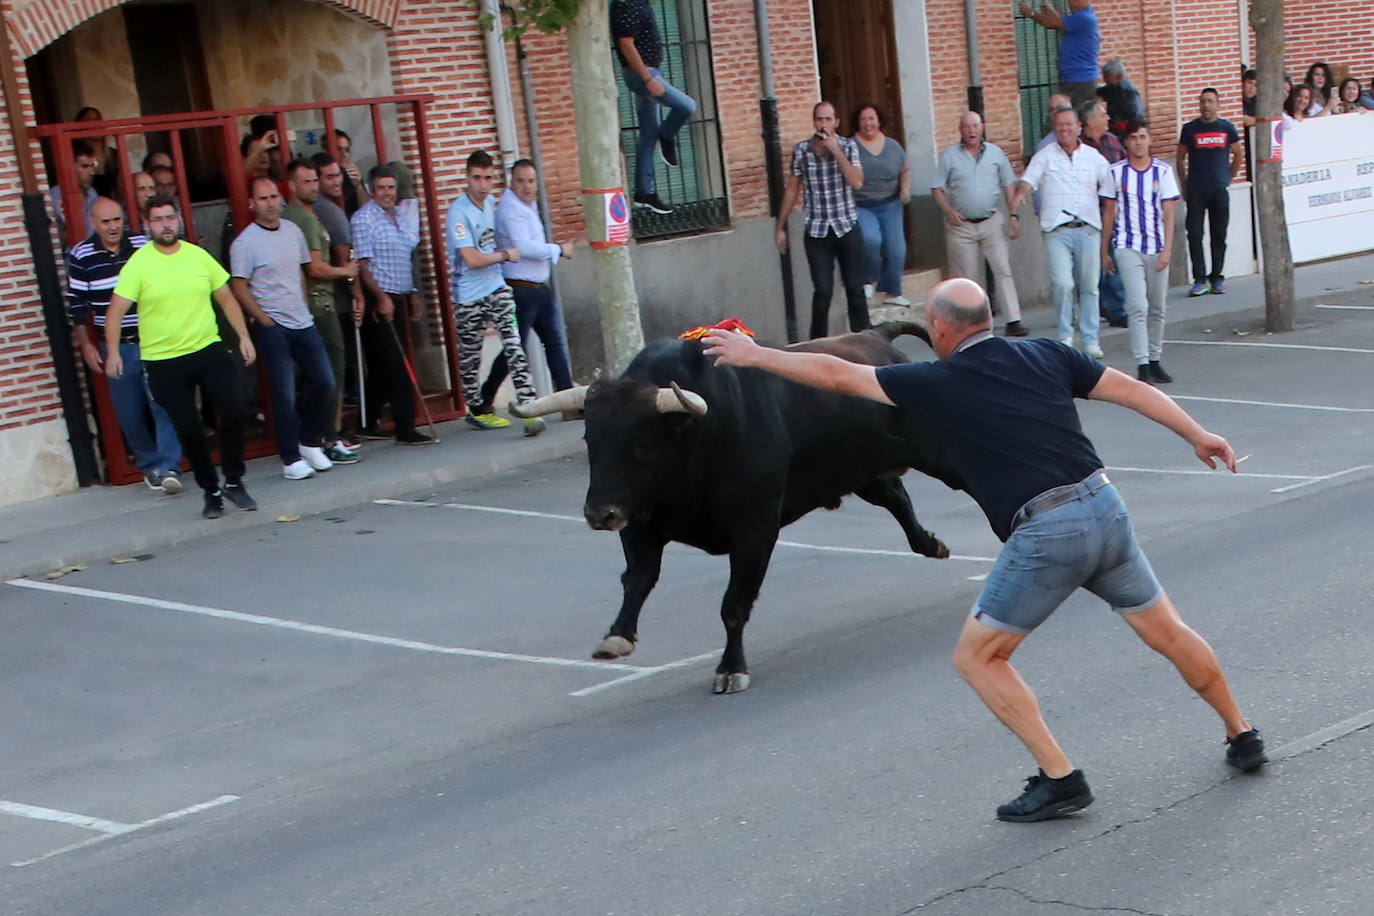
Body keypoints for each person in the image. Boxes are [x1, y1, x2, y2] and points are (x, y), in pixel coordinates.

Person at [702, 277, 1268, 822]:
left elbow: (837, 373)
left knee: (978, 659)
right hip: (1104, 507)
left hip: (1048, 531)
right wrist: (1198, 434)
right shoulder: (1048, 354)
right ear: (988, 320)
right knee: (1168, 630)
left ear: (941, 329)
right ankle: (1242, 733)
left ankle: (1060, 779)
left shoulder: (937, 381)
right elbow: (1134, 390)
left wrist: (756, 355)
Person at [105, 195, 258, 519]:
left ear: (178, 220)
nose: (166, 225)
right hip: (163, 360)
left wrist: (243, 336)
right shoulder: (139, 264)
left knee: (234, 408)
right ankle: (211, 491)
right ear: (147, 225)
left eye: (170, 217)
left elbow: (226, 299)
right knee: (188, 429)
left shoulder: (197, 256)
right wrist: (114, 352)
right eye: (158, 219)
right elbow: (115, 311)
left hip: (207, 348)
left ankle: (233, 481)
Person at [66, 197, 183, 492]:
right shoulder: (81, 255)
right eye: (105, 221)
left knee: (163, 403)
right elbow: (77, 306)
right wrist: (86, 345)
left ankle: (170, 466)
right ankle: (150, 464)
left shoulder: (143, 244)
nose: (113, 226)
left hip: (154, 339)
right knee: (129, 414)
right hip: (117, 346)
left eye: (117, 219)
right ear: (93, 223)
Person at [230, 177, 339, 480]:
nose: (270, 203)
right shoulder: (245, 243)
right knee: (285, 393)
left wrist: (303, 305)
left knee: (326, 382)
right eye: (263, 198)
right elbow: (239, 286)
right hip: (273, 325)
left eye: (274, 197)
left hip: (302, 321)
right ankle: (290, 458)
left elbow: (300, 273)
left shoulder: (293, 231)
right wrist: (263, 319)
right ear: (252, 203)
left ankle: (309, 441)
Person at [447, 150, 544, 436]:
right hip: (468, 295)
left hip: (496, 287)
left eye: (488, 178)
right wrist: (504, 255)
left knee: (514, 343)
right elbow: (471, 259)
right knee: (470, 358)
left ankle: (529, 407)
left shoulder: (491, 203)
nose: (483, 185)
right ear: (467, 177)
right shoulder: (458, 213)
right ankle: (477, 410)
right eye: (477, 178)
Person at [1012, 106, 1114, 358]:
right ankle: (1066, 336)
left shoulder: (1094, 157)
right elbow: (1028, 180)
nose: (1064, 129)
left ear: (1079, 126)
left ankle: (1090, 339)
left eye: (1069, 124)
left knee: (1090, 286)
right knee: (1063, 284)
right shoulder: (1044, 156)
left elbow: (1111, 184)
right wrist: (1021, 194)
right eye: (1059, 125)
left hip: (1088, 229)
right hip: (1057, 231)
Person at [481, 158, 578, 419]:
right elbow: (524, 247)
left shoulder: (529, 205)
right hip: (520, 291)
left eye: (531, 181)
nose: (527, 186)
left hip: (538, 289)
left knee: (554, 343)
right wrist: (558, 249)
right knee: (515, 349)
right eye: (521, 181)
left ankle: (568, 402)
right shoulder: (511, 210)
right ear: (512, 183)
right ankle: (485, 397)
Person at [282, 158, 361, 464]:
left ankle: (320, 436)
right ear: (291, 186)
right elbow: (314, 268)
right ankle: (330, 436)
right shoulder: (302, 218)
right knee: (331, 372)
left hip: (309, 306)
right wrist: (346, 272)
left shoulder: (300, 215)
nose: (313, 187)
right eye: (307, 182)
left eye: (315, 181)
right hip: (319, 304)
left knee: (317, 375)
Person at [349, 164, 434, 445]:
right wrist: (381, 298)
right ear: (372, 190)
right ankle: (405, 426)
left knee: (382, 367)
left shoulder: (398, 216)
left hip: (399, 297)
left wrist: (413, 293)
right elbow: (362, 265)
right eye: (382, 188)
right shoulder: (364, 219)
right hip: (380, 300)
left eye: (391, 187)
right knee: (397, 365)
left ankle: (367, 420)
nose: (387, 193)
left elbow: (403, 258)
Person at [777, 101, 868, 340]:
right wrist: (780, 227)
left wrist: (836, 151)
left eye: (828, 119)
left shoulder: (848, 146)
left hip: (846, 226)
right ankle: (817, 343)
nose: (823, 124)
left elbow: (857, 182)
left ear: (836, 122)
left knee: (855, 288)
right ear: (814, 122)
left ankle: (866, 341)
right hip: (817, 230)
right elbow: (792, 190)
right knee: (823, 291)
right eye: (819, 119)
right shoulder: (802, 150)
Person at [931, 110, 1026, 337]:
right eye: (967, 126)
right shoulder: (949, 156)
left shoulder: (995, 153)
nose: (971, 131)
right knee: (966, 278)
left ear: (982, 127)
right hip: (961, 226)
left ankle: (1013, 320)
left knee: (1002, 269)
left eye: (975, 126)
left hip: (991, 222)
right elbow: (936, 188)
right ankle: (973, 324)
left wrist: (1013, 215)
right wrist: (948, 211)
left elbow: (1008, 185)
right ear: (960, 130)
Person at [1102, 120, 1179, 384]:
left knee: (1157, 307)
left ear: (1150, 140)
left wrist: (1167, 249)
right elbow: (1109, 212)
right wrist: (1104, 250)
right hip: (1127, 244)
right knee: (1137, 306)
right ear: (1126, 142)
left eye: (1143, 136)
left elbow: (1169, 213)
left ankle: (1155, 358)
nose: (1138, 142)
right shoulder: (1115, 173)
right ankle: (1142, 362)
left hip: (1156, 245)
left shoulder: (1163, 172)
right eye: (1133, 137)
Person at [611, 0, 696, 215]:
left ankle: (644, 193)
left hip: (649, 73)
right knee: (687, 106)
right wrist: (648, 78)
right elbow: (626, 44)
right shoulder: (627, 4)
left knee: (648, 134)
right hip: (643, 75)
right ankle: (666, 135)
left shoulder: (640, 3)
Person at [311, 151, 367, 431]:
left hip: (326, 300)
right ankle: (333, 431)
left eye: (338, 175)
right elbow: (347, 257)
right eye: (329, 177)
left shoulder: (320, 207)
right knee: (339, 365)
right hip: (336, 301)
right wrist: (358, 294)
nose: (336, 181)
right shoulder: (330, 211)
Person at [1177, 88, 1242, 297]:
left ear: (1217, 104)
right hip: (1196, 190)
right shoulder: (1189, 129)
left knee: (1219, 235)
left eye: (1210, 101)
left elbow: (1238, 154)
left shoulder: (1227, 128)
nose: (1206, 105)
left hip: (1218, 190)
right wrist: (1184, 185)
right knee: (1195, 234)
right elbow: (1180, 158)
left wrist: (1229, 177)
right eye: (1203, 101)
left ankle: (1217, 278)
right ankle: (1199, 279)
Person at [850, 103, 912, 307]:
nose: (868, 123)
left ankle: (893, 292)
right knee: (871, 240)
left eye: (872, 118)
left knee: (896, 249)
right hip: (861, 204)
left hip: (890, 204)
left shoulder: (893, 146)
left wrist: (905, 190)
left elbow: (905, 170)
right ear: (857, 122)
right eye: (863, 119)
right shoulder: (850, 146)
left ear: (879, 121)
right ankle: (869, 279)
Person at [1079, 98, 1128, 329]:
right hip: (1088, 214)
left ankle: (1118, 310)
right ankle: (1096, 308)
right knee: (1092, 267)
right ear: (1090, 121)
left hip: (1112, 213)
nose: (1107, 118)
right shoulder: (1079, 147)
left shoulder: (1113, 142)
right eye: (1102, 114)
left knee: (1113, 261)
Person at [1019, 0, 1100, 108]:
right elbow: (1063, 28)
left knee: (1069, 113)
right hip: (1078, 79)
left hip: (1079, 80)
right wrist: (1051, 11)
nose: (1072, 4)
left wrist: (1030, 12)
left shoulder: (1083, 17)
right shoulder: (1082, 17)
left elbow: (1049, 23)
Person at [52, 139, 100, 245]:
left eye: (92, 166)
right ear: (70, 167)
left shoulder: (92, 193)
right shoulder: (56, 195)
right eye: (85, 166)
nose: (92, 172)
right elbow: (55, 241)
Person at [1095, 59, 1145, 137]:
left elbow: (1137, 115)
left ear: (1115, 76)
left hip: (1125, 130)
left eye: (1106, 76)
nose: (1104, 79)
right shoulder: (1112, 87)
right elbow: (1101, 92)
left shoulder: (1128, 91)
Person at [334, 130, 370, 216]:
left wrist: (358, 186)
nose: (344, 154)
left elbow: (366, 209)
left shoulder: (352, 174)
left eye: (347, 150)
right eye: (339, 149)